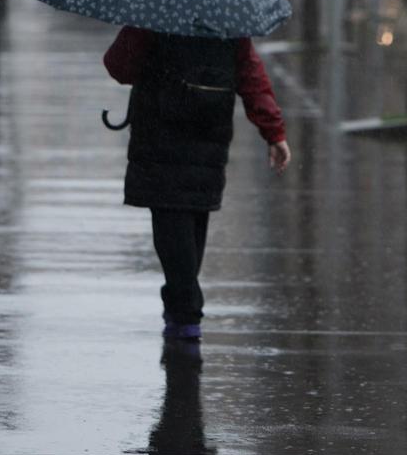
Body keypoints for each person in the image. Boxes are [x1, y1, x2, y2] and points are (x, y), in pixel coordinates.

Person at [104, 27, 291, 342]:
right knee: (191, 225)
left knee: (172, 228)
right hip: (208, 137)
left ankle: (185, 311)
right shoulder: (228, 22)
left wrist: (138, 30)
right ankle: (183, 309)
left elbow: (120, 67)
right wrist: (274, 132)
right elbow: (250, 75)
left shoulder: (153, 15)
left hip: (160, 138)